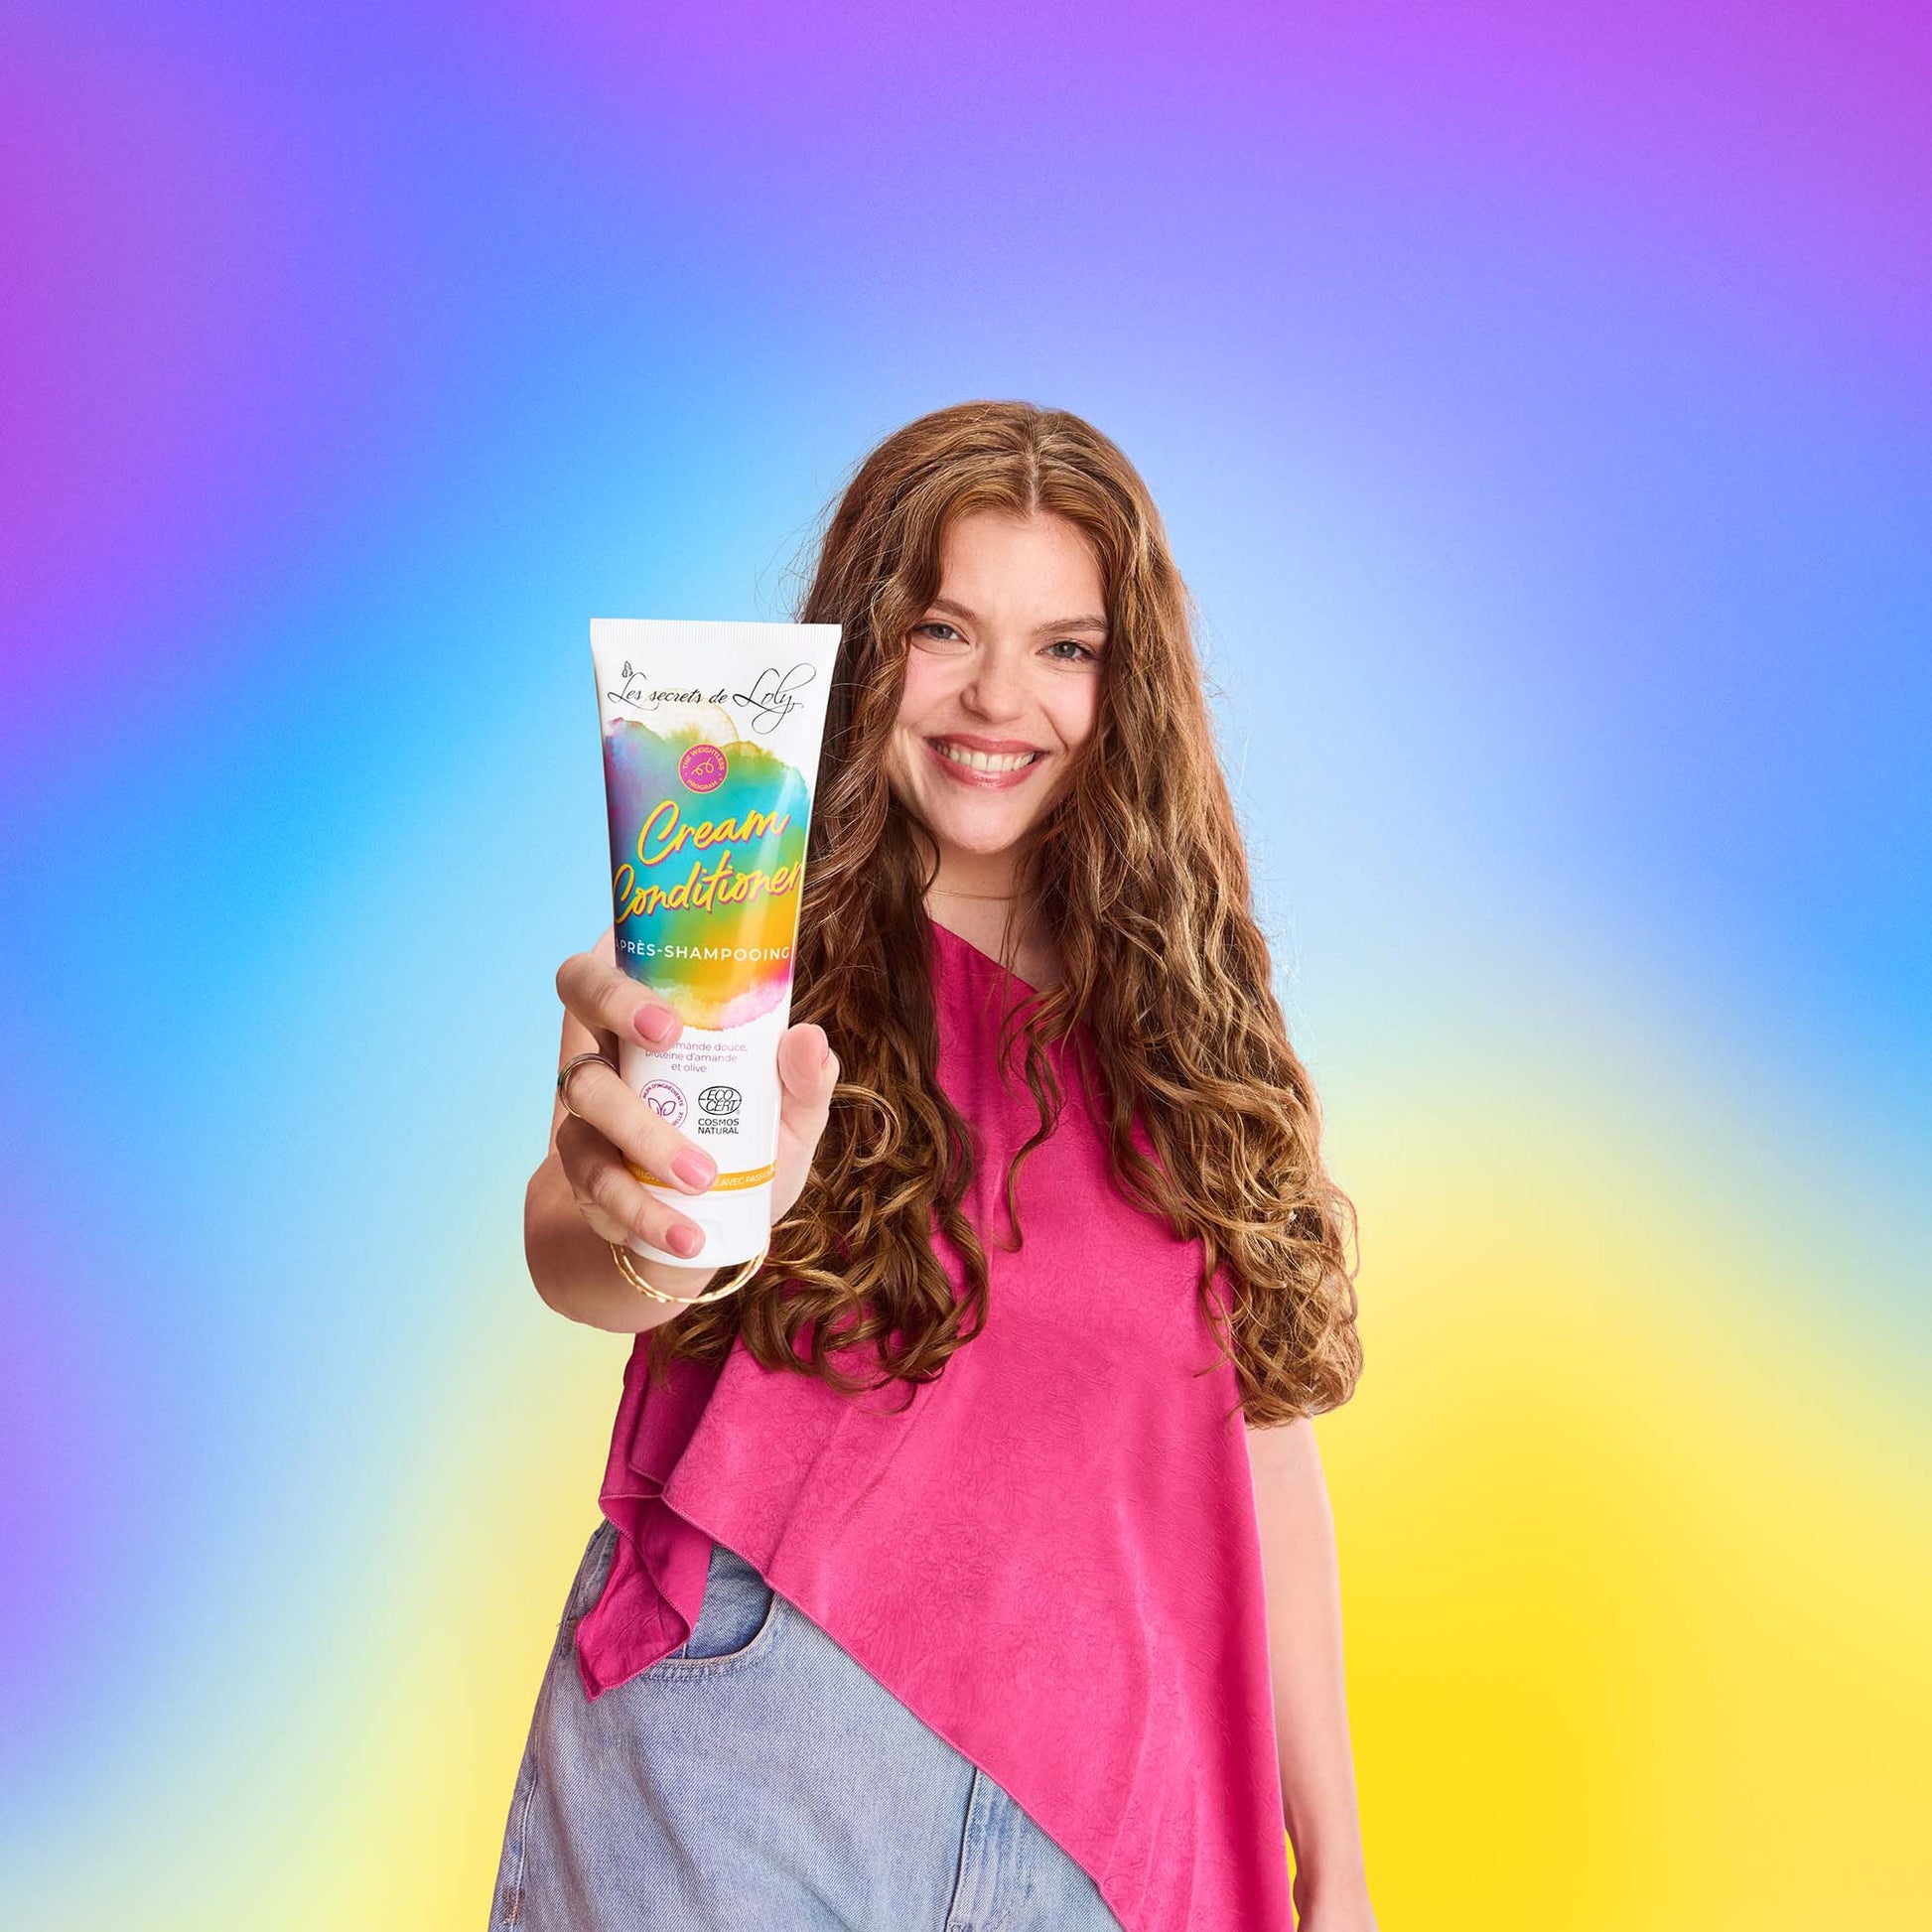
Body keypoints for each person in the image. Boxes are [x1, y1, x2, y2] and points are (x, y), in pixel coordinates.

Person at [490, 401, 1377, 1930]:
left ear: (1127, 682)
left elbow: (1253, 1451)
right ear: (867, 641)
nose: (994, 697)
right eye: (944, 628)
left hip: (1107, 1806)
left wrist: (1336, 1863)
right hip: (750, 1751)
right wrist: (651, 1221)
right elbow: (586, 1235)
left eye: (1063, 647)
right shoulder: (737, 942)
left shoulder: (1188, 1025)